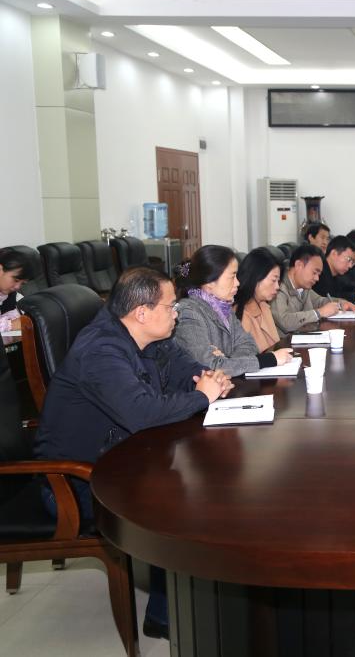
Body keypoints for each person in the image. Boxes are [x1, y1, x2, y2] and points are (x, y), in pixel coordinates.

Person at [34, 266, 233, 640]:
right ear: (142, 312)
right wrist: (201, 397)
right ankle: (166, 615)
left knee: (206, 474)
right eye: (171, 306)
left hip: (121, 462)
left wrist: (209, 378)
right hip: (74, 482)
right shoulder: (101, 351)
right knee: (180, 498)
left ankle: (190, 595)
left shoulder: (149, 337)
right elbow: (142, 414)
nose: (177, 313)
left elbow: (186, 369)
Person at [174, 245, 293, 377]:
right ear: (210, 282)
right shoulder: (189, 313)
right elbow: (209, 366)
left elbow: (249, 344)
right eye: (232, 277)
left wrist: (227, 362)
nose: (237, 283)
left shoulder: (224, 307)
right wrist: (267, 360)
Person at [271, 244, 355, 333]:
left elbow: (319, 301)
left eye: (318, 274)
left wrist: (341, 303)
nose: (317, 279)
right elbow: (285, 321)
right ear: (299, 265)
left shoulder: (304, 287)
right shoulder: (277, 287)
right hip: (285, 341)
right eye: (314, 273)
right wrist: (319, 313)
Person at [235, 248, 285, 353]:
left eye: (278, 281)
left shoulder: (263, 305)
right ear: (256, 277)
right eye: (273, 280)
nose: (277, 287)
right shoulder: (241, 314)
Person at [313, 235, 355, 303]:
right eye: (349, 259)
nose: (350, 266)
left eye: (352, 262)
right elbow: (326, 298)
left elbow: (345, 289)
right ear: (334, 253)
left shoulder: (336, 275)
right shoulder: (320, 272)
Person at [0, 247, 34, 332]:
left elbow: (26, 309)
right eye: (16, 280)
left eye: (22, 283)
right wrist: (11, 325)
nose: (17, 287)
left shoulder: (11, 294)